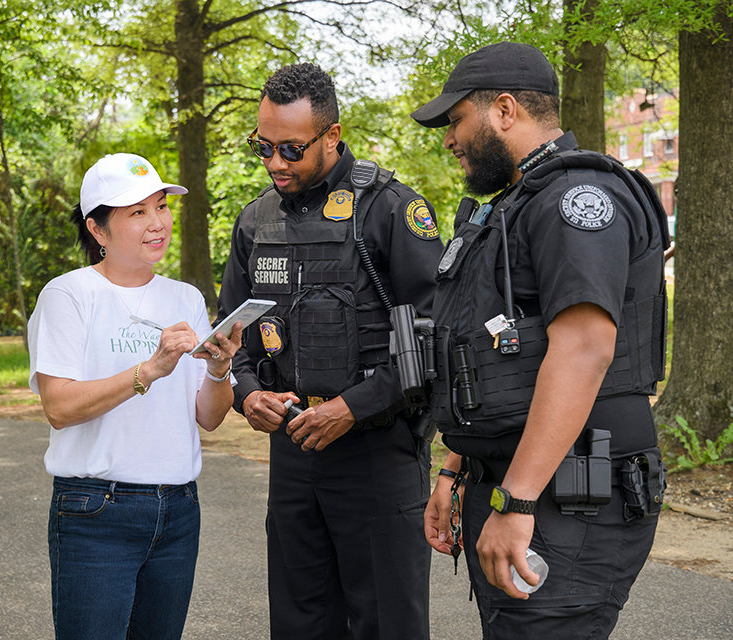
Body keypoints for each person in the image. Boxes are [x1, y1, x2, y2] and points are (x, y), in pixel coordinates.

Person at [411, 42, 670, 638]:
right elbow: (500, 359)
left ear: (504, 110)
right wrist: (456, 469)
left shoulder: (575, 200)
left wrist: (516, 501)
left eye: (456, 121)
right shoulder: (518, 205)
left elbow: (585, 348)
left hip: (568, 494)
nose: (449, 139)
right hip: (520, 481)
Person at [217, 63, 444, 639]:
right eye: (262, 147)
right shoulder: (255, 222)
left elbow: (435, 336)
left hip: (377, 453)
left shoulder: (389, 210)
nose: (274, 163)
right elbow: (232, 337)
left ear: (332, 137)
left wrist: (353, 407)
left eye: (290, 149)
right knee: (300, 622)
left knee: (385, 624)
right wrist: (249, 396)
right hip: (295, 457)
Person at [27, 153, 242, 640]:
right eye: (137, 212)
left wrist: (219, 367)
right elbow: (59, 407)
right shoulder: (67, 295)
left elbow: (208, 418)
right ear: (98, 230)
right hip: (95, 512)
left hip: (178, 511)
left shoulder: (185, 297)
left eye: (161, 206)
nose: (157, 223)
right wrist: (148, 370)